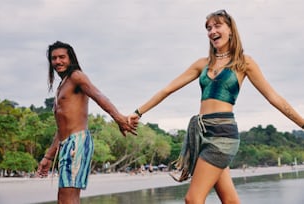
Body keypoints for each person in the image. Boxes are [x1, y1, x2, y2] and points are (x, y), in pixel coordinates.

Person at [128, 10, 304, 204]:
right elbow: (167, 89)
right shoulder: (202, 64)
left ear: (230, 30)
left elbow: (274, 98)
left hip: (222, 135)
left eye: (217, 25)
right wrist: (138, 112)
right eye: (208, 28)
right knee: (230, 200)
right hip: (201, 134)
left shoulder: (244, 63)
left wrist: (302, 124)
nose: (212, 31)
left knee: (193, 199)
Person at [37, 41, 137, 204]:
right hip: (65, 144)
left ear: (70, 59)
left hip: (77, 143)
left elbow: (98, 95)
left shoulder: (76, 76)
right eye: (54, 58)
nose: (57, 61)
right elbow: (61, 129)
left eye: (62, 57)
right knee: (63, 198)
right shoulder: (61, 87)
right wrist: (48, 157)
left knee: (68, 198)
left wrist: (119, 118)